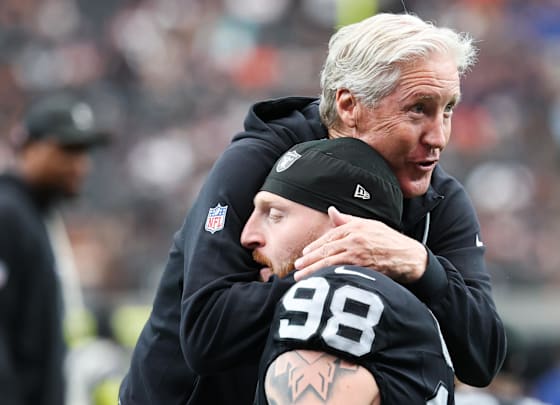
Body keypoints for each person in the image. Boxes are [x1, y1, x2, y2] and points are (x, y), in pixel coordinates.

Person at [120, 12, 506, 404]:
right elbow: (208, 330)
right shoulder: (264, 163)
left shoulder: (439, 200)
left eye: (448, 109)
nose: (439, 136)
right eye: (418, 109)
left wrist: (420, 265)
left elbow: (483, 358)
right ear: (349, 105)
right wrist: (341, 275)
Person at [243, 138, 454, 404]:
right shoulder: (401, 306)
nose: (248, 235)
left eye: (275, 215)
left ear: (341, 226)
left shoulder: (330, 296)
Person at [0, 94, 109, 405]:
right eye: (68, 150)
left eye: (85, 151)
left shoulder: (35, 214)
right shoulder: (7, 214)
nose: (81, 164)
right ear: (30, 147)